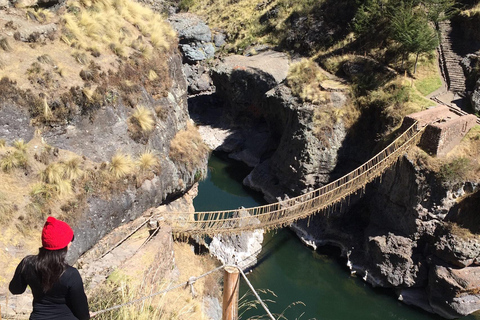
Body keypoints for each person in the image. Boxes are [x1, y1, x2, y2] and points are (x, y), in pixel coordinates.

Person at [9, 216, 90, 320]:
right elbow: (83, 315)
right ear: (64, 245)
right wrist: (87, 314)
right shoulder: (71, 274)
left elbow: (15, 290)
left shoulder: (27, 263)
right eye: (71, 239)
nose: (71, 242)